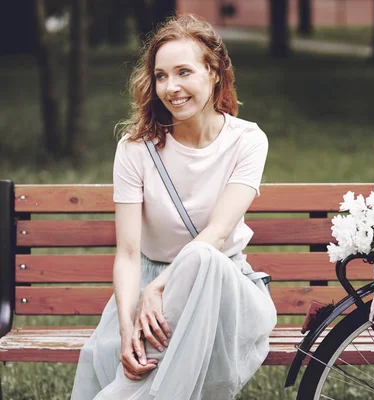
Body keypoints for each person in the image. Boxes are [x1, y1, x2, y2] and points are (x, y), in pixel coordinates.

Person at [71, 14, 277, 400]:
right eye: (161, 75)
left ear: (214, 72)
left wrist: (159, 289)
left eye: (184, 72)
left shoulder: (247, 141)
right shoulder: (136, 148)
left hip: (223, 287)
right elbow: (129, 254)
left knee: (202, 258)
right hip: (148, 289)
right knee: (124, 352)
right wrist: (127, 326)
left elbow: (216, 235)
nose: (171, 87)